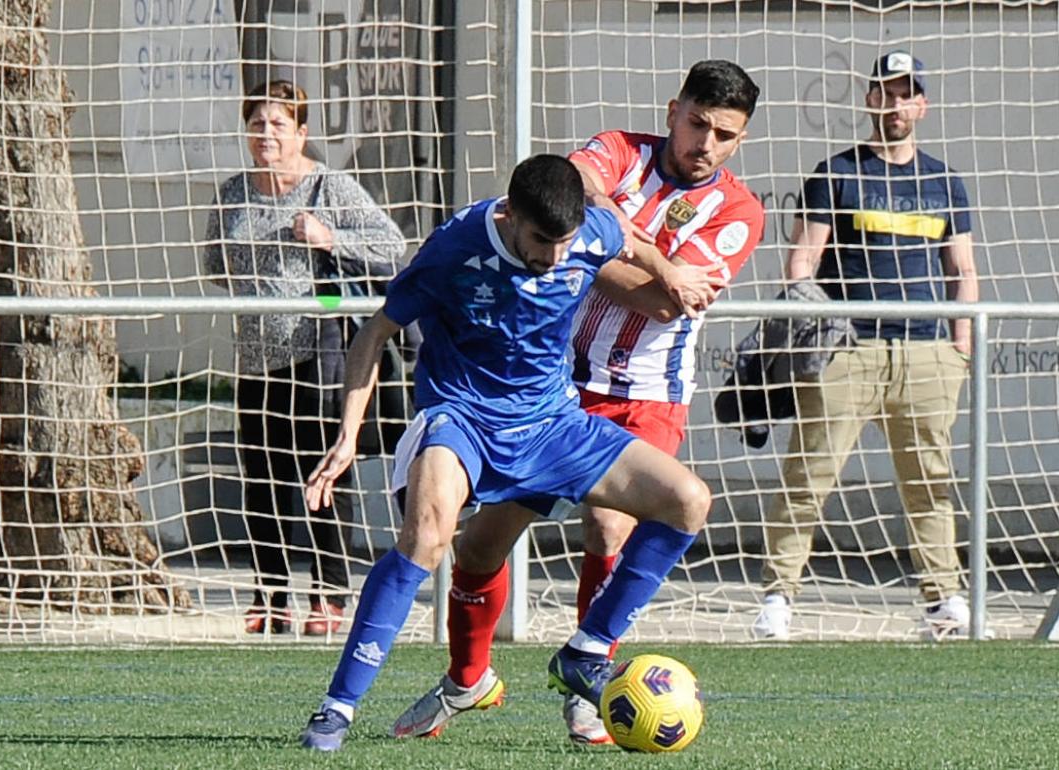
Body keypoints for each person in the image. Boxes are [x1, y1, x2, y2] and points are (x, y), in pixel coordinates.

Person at [390, 59, 764, 745]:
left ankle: (588, 674)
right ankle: (466, 680)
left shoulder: (739, 212)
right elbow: (568, 186)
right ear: (674, 108)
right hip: (555, 387)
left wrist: (594, 247)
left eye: (726, 135)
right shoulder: (621, 149)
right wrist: (622, 253)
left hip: (648, 394)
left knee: (609, 528)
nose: (706, 143)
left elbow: (660, 305)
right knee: (478, 548)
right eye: (698, 124)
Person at [297, 154, 721, 752]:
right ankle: (336, 710)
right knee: (427, 537)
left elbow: (620, 231)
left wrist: (669, 272)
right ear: (511, 214)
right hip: (461, 417)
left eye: (565, 242)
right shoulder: (455, 247)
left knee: (688, 501)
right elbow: (375, 332)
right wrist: (346, 437)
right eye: (542, 241)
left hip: (551, 424)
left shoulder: (588, 232)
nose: (554, 257)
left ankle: (586, 652)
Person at [753, 51, 979, 641]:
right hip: (848, 351)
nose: (896, 103)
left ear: (922, 104)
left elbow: (962, 270)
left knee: (930, 481)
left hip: (928, 353)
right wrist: (807, 326)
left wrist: (961, 348)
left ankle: (943, 597)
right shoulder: (836, 173)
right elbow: (802, 261)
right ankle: (779, 596)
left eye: (907, 93)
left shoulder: (943, 180)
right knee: (808, 476)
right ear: (869, 99)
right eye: (885, 91)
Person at [203, 80, 407, 636]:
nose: (265, 134)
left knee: (320, 477)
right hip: (255, 358)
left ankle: (328, 595)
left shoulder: (328, 188)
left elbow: (392, 246)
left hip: (317, 356)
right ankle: (268, 596)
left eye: (277, 123)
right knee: (263, 481)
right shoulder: (232, 193)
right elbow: (214, 263)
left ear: (301, 132)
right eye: (257, 123)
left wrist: (328, 238)